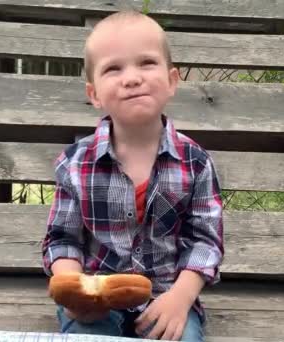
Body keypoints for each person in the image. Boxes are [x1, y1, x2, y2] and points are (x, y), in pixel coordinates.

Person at [41, 10, 224, 341]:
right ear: (94, 93)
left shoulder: (195, 162)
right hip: (96, 299)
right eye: (113, 68)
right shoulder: (75, 164)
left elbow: (205, 242)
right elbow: (62, 239)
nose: (131, 78)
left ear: (172, 81)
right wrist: (75, 291)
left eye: (146, 63)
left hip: (166, 297)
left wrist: (181, 299)